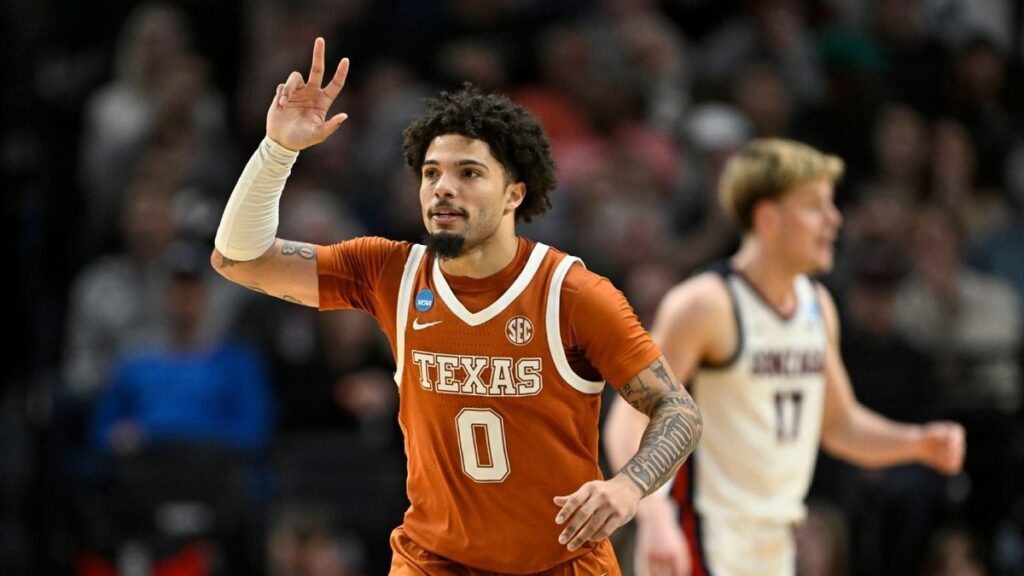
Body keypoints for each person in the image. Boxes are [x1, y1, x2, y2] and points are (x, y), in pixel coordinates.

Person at [210, 37, 702, 575]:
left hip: (560, 563)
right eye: (431, 173)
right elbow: (238, 259)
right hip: (435, 562)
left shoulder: (573, 293)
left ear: (514, 193)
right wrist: (277, 150)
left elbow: (677, 410)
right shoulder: (389, 272)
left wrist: (629, 486)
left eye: (468, 173)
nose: (443, 188)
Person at [603, 138, 966, 576]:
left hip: (774, 547)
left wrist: (918, 443)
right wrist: (655, 519)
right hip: (700, 543)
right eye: (816, 206)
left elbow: (839, 425)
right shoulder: (706, 304)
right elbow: (628, 420)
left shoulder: (817, 306)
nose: (834, 220)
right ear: (768, 218)